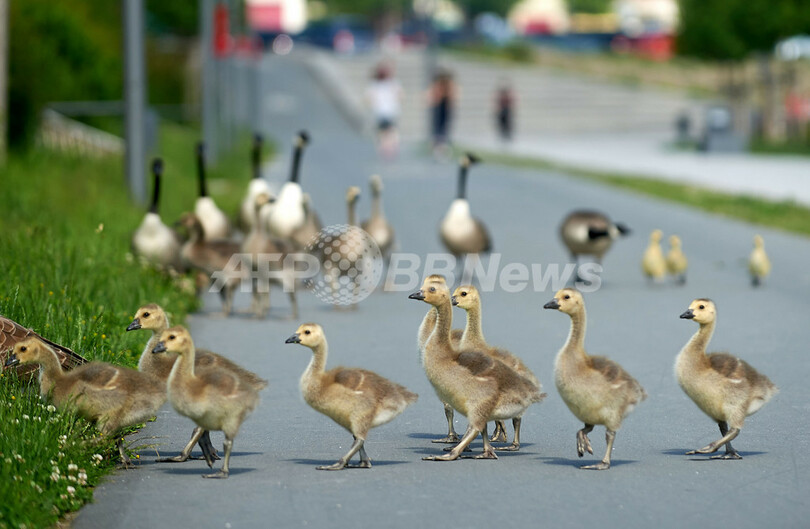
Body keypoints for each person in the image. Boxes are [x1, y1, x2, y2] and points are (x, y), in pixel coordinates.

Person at [366, 63, 402, 159]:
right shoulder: (392, 83)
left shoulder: (376, 85)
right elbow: (400, 95)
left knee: (384, 132)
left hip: (383, 111)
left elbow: (370, 99)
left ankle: (385, 148)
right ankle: (388, 148)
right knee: (389, 131)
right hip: (387, 111)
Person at [428, 69, 457, 158]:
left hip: (445, 109)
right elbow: (434, 98)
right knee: (438, 129)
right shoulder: (437, 86)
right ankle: (437, 148)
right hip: (439, 108)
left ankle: (442, 148)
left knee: (444, 129)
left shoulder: (449, 87)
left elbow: (453, 98)